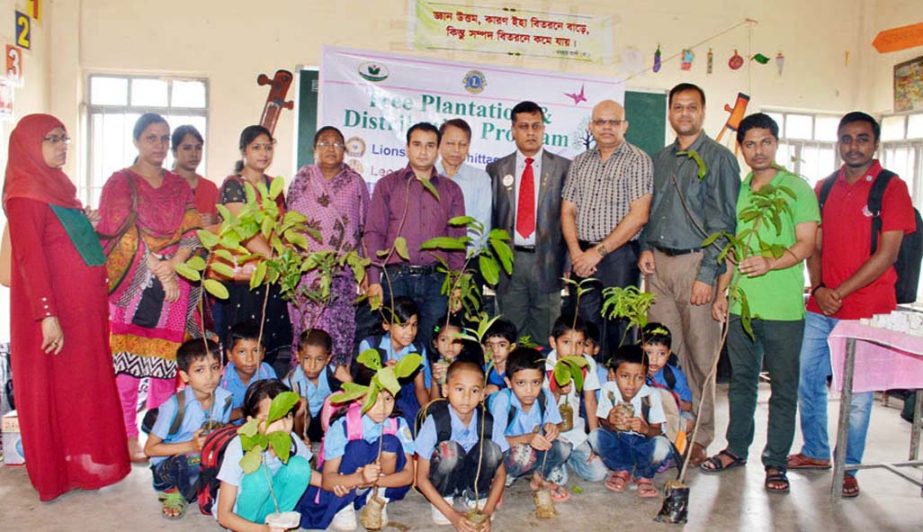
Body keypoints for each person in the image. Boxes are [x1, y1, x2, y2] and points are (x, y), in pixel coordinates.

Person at [787, 112, 916, 498]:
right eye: (846, 139)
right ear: (838, 143)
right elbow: (815, 245)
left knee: (857, 394)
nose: (853, 146)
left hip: (867, 308)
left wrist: (839, 291)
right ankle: (815, 452)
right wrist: (821, 287)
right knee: (805, 377)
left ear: (875, 144)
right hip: (820, 306)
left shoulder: (892, 188)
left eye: (862, 138)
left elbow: (887, 253)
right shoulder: (824, 187)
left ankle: (849, 466)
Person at [2, 113, 130, 500]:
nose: (62, 146)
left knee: (77, 388)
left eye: (65, 138)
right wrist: (47, 316)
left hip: (79, 313)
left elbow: (61, 241)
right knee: (53, 387)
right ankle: (56, 473)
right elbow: (30, 258)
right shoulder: (24, 191)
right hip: (54, 314)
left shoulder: (57, 186)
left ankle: (79, 464)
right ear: (29, 145)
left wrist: (82, 220)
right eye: (52, 139)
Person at [700, 114, 819, 494]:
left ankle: (776, 462)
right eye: (749, 144)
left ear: (776, 143)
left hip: (784, 310)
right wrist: (722, 292)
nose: (758, 151)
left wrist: (771, 261)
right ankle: (736, 449)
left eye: (765, 142)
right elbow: (733, 251)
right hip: (741, 308)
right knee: (741, 385)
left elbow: (806, 244)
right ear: (742, 148)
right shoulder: (741, 190)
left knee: (784, 387)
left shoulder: (795, 188)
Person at [637, 83, 741, 465]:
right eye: (677, 107)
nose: (684, 113)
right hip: (659, 269)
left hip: (697, 265)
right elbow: (652, 212)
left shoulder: (718, 159)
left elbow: (724, 222)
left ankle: (699, 434)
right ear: (669, 112)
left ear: (703, 111)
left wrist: (709, 275)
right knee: (662, 352)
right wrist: (645, 248)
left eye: (691, 107)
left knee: (700, 357)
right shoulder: (660, 159)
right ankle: (670, 429)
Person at [96, 112, 203, 461]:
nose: (158, 145)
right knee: (127, 365)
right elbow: (116, 233)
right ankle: (127, 437)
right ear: (137, 141)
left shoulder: (178, 186)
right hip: (133, 283)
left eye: (163, 138)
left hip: (175, 284)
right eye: (151, 138)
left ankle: (158, 437)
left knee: (165, 366)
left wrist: (172, 266)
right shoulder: (120, 182)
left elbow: (191, 232)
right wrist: (157, 267)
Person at [561, 99, 653, 358]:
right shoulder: (579, 162)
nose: (607, 128)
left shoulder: (638, 160)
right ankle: (587, 392)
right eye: (601, 122)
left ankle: (616, 391)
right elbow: (567, 210)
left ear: (625, 126)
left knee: (618, 328)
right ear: (591, 126)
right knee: (584, 331)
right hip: (582, 256)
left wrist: (598, 252)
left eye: (614, 122)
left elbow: (639, 215)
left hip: (620, 257)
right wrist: (576, 252)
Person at [364, 122, 466, 349]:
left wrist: (456, 284)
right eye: (417, 144)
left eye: (430, 145)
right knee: (394, 345)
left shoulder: (451, 190)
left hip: (436, 282)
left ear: (438, 149)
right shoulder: (387, 185)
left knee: (432, 345)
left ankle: (428, 386)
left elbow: (457, 241)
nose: (423, 151)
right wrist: (373, 280)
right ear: (407, 148)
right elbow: (374, 234)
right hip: (396, 278)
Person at [487, 101, 571, 346]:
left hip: (548, 264)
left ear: (544, 129)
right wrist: (492, 268)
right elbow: (491, 220)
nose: (531, 132)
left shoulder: (564, 168)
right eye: (524, 126)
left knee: (547, 336)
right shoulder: (496, 169)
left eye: (536, 126)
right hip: (509, 265)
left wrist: (567, 265)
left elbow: (570, 219)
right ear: (513, 130)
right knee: (509, 336)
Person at [287, 126, 370, 367]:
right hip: (305, 274)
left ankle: (337, 391)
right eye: (324, 143)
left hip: (342, 273)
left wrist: (365, 272)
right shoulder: (301, 179)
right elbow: (289, 225)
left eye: (337, 144)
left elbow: (364, 227)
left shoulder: (355, 182)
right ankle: (302, 391)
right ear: (314, 149)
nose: (331, 148)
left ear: (345, 150)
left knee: (339, 333)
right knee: (307, 334)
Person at [214, 125, 293, 372]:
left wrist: (287, 256)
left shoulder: (275, 186)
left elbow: (283, 227)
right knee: (242, 346)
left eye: (268, 147)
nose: (264, 153)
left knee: (267, 346)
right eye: (257, 147)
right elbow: (243, 230)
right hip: (243, 280)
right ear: (243, 151)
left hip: (271, 278)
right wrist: (273, 257)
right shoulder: (233, 184)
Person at [297, 388, 415, 531]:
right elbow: (327, 481)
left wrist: (372, 481)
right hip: (348, 485)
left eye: (388, 399)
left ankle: (377, 498)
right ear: (359, 398)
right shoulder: (344, 425)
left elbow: (408, 476)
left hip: (381, 482)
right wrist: (359, 478)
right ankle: (344, 505)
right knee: (357, 448)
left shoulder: (398, 423)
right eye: (374, 399)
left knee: (390, 443)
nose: (382, 407)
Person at [216, 379, 321, 531]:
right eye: (271, 419)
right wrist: (264, 530)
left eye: (287, 416)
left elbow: (308, 474)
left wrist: (338, 482)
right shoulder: (239, 447)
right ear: (251, 420)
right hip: (241, 516)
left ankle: (281, 522)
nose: (282, 425)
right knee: (258, 477)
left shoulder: (290, 440)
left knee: (300, 466)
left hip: (271, 509)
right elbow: (224, 516)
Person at [144, 339, 232, 519]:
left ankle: (206, 488)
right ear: (185, 376)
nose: (209, 376)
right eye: (200, 370)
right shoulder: (174, 405)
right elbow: (150, 449)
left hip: (204, 455)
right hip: (172, 464)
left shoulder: (225, 400)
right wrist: (192, 446)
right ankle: (173, 491)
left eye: (214, 367)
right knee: (192, 461)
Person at [415, 360, 507, 529]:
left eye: (474, 391)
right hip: (443, 479)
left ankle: (475, 496)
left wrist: (487, 511)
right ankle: (444, 499)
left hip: (471, 480)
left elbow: (501, 475)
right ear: (445, 390)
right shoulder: (436, 421)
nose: (466, 397)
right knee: (449, 450)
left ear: (482, 395)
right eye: (459, 389)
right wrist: (453, 516)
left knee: (491, 450)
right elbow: (420, 478)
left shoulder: (486, 421)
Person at [488, 347, 571, 503]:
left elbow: (557, 424)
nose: (529, 390)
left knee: (564, 447)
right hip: (508, 452)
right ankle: (501, 478)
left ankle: (539, 477)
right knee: (522, 456)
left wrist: (553, 428)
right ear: (509, 383)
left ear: (542, 381)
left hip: (534, 447)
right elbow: (495, 441)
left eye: (535, 382)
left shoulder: (545, 397)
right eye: (521, 383)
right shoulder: (502, 401)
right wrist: (528, 438)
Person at [588, 345, 672, 498]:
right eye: (625, 376)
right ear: (613, 374)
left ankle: (644, 475)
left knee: (662, 446)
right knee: (595, 436)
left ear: (645, 376)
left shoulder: (650, 395)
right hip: (619, 442)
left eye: (639, 377)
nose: (631, 384)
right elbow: (602, 422)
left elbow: (658, 430)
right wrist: (610, 422)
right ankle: (621, 469)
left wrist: (645, 429)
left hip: (642, 445)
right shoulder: (609, 390)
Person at [543, 314, 607, 483]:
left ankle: (568, 457)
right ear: (553, 342)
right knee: (560, 480)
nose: (573, 350)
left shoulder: (586, 363)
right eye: (566, 342)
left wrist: (594, 442)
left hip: (575, 432)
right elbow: (540, 409)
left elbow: (590, 401)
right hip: (550, 433)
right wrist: (557, 391)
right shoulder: (543, 365)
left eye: (579, 343)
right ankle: (558, 458)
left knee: (598, 473)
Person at [357, 296, 432, 430]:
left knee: (413, 423)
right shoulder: (371, 345)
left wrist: (427, 415)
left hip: (406, 396)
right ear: (386, 324)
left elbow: (420, 388)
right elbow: (364, 380)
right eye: (403, 325)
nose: (410, 332)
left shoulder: (418, 350)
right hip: (377, 395)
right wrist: (384, 371)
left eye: (414, 325)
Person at [286, 328, 349, 443]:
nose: (312, 365)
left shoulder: (334, 374)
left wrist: (349, 382)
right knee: (301, 404)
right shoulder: (291, 381)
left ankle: (334, 440)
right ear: (298, 356)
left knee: (337, 399)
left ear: (327, 359)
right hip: (302, 426)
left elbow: (356, 402)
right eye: (306, 358)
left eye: (319, 359)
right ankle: (301, 441)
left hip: (327, 424)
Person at [436, 118, 492, 240]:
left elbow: (481, 226)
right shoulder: (426, 177)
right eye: (450, 143)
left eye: (462, 144)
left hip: (467, 255)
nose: (456, 149)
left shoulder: (481, 179)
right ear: (439, 144)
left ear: (468, 147)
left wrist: (460, 255)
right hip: (429, 255)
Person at [640, 323, 694, 446]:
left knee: (689, 422)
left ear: (669, 353)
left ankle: (675, 445)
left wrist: (670, 398)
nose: (654, 359)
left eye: (661, 354)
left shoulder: (674, 375)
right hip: (644, 416)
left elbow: (688, 406)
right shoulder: (635, 373)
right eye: (648, 352)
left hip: (669, 416)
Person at [220, 320, 278, 422]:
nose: (250, 359)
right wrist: (245, 411)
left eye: (256, 351)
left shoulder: (267, 372)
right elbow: (217, 417)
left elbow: (276, 404)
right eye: (242, 352)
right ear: (229, 355)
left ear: (263, 353)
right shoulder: (221, 379)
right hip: (232, 430)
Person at [172, 125, 219, 227]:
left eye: (198, 148)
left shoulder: (210, 188)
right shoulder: (164, 185)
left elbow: (223, 223)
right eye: (187, 148)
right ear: (174, 152)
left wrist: (215, 220)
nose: (194, 154)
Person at [429, 313, 466, 398]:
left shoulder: (468, 366)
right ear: (435, 343)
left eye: (456, 340)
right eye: (444, 340)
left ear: (462, 345)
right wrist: (435, 381)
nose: (450, 345)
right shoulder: (432, 366)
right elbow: (434, 403)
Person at [483, 318, 517, 395]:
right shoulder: (482, 369)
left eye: (502, 345)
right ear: (484, 348)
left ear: (512, 347)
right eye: (490, 345)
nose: (495, 350)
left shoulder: (516, 370)